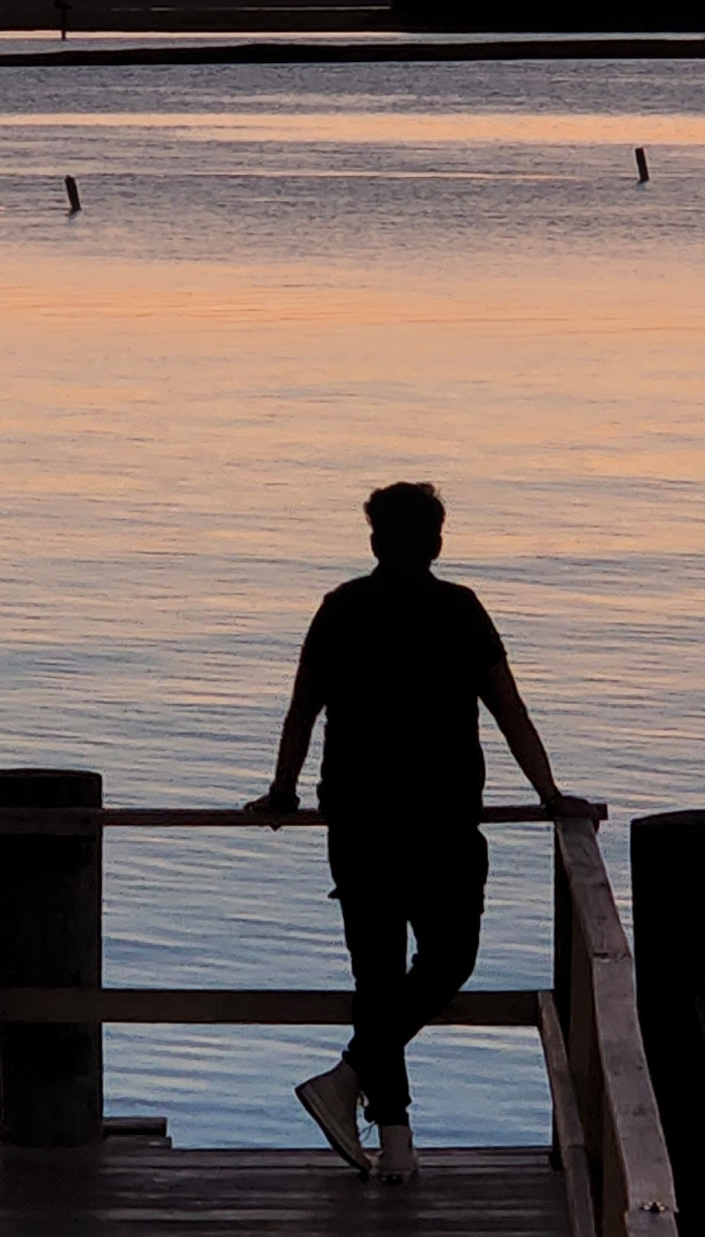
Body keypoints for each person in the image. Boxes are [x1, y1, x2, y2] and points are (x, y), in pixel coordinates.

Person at [250, 481, 590, 1183]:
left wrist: (283, 790)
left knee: (377, 976)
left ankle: (378, 1119)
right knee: (448, 959)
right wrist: (550, 795)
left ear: (374, 540)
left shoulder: (341, 609)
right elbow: (510, 711)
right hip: (442, 820)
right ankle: (380, 1125)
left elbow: (301, 713)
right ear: (437, 541)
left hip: (360, 820)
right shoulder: (458, 610)